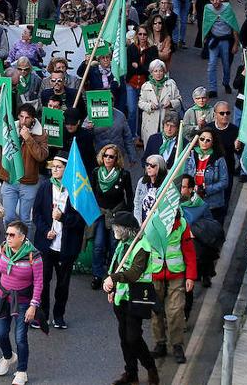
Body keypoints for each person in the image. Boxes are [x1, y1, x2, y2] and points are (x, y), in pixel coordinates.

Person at [103, 211, 160, 385]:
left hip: (137, 297)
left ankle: (150, 367)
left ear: (126, 229)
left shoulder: (142, 246)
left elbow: (134, 273)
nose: (114, 230)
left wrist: (113, 279)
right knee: (123, 337)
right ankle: (131, 373)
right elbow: (115, 264)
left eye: (117, 227)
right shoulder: (122, 244)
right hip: (122, 297)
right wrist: (111, 288)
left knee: (133, 337)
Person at [33, 155, 86, 329]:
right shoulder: (45, 187)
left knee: (63, 284)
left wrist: (62, 217)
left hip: (66, 247)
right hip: (46, 245)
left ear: (67, 170)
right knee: (44, 282)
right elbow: (37, 215)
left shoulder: (76, 190)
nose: (54, 170)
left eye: (59, 167)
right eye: (53, 167)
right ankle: (43, 315)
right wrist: (45, 230)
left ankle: (59, 316)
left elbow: (80, 221)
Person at [0, 221, 44, 385]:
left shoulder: (33, 256)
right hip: (3, 298)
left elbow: (39, 282)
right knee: (0, 333)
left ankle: (22, 371)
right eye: (7, 234)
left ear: (22, 237)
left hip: (22, 302)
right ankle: (8, 357)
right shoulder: (3, 248)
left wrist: (33, 306)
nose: (7, 237)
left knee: (20, 338)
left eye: (12, 235)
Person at [147, 200, 197, 364]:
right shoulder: (152, 223)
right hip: (155, 274)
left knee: (175, 310)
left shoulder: (182, 225)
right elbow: (144, 250)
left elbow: (189, 252)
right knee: (156, 310)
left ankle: (177, 345)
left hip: (176, 274)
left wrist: (190, 276)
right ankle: (160, 343)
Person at [0, 104, 50, 230]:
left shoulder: (40, 133)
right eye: (21, 117)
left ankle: (26, 247)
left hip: (28, 183)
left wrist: (28, 139)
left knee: (25, 219)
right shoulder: (8, 128)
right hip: (10, 180)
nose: (23, 121)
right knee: (8, 217)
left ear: (33, 119)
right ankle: (11, 243)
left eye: (27, 118)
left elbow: (41, 156)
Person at [89, 144, 133, 290]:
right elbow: (92, 192)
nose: (108, 159)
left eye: (111, 156)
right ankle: (97, 274)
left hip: (117, 213)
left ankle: (112, 275)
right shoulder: (96, 172)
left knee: (114, 244)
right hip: (101, 213)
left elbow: (129, 195)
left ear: (116, 159)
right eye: (105, 155)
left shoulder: (123, 174)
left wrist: (129, 214)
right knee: (98, 245)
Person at [184, 129, 230, 223]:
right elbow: (185, 175)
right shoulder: (190, 155)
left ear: (213, 142)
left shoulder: (219, 159)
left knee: (212, 233)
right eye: (202, 139)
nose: (204, 142)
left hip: (213, 204)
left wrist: (206, 189)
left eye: (208, 140)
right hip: (193, 201)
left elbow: (224, 182)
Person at [138, 59, 183, 145]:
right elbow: (140, 103)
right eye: (155, 71)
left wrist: (171, 103)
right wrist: (149, 106)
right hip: (150, 121)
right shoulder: (145, 86)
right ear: (151, 72)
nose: (158, 74)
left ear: (164, 72)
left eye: (161, 71)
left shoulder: (171, 84)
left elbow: (179, 100)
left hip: (167, 120)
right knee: (151, 148)